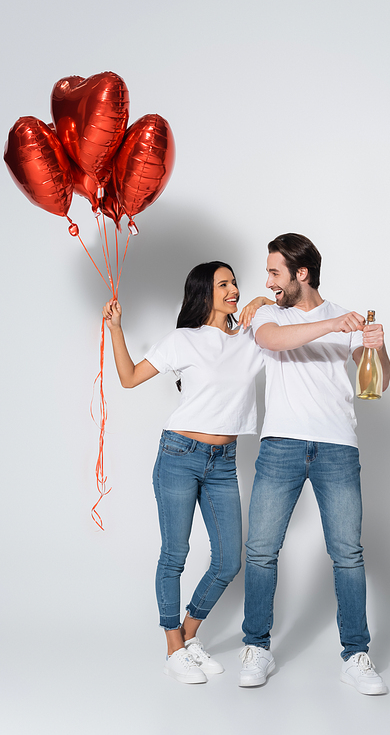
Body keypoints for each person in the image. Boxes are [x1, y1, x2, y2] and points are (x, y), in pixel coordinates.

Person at [238, 233, 390, 695]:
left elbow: (379, 383)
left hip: (337, 447)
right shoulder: (268, 313)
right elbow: (275, 341)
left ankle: (356, 655)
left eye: (275, 272)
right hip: (281, 444)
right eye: (268, 272)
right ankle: (257, 646)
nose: (268, 281)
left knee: (347, 553)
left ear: (301, 273)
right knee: (261, 549)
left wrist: (377, 347)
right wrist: (332, 327)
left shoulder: (345, 315)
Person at [103, 261, 268, 685]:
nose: (233, 289)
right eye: (224, 284)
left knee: (230, 559)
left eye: (235, 282)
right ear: (204, 293)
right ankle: (172, 648)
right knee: (175, 554)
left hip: (223, 462)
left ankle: (188, 637)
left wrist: (264, 300)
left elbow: (280, 322)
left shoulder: (251, 339)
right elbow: (129, 378)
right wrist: (116, 328)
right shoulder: (184, 340)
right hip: (178, 453)